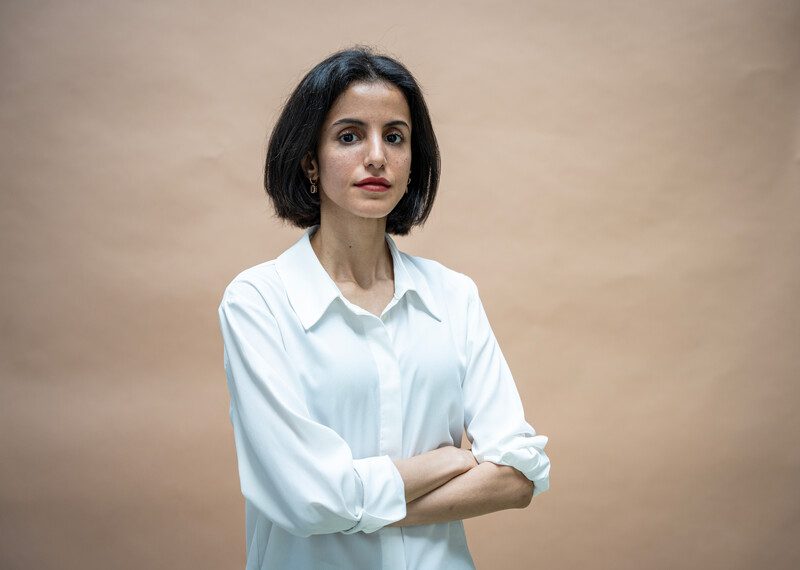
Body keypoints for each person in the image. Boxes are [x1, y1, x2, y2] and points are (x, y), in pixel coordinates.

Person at [217, 45, 551, 570]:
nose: (377, 156)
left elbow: (518, 476)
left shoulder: (453, 295)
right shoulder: (258, 302)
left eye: (394, 136)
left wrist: (348, 500)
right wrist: (450, 462)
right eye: (350, 136)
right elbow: (307, 498)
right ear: (309, 160)